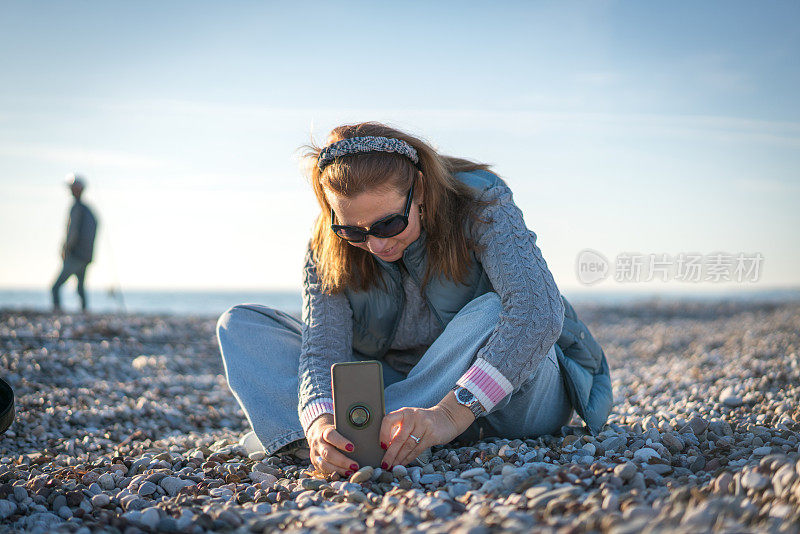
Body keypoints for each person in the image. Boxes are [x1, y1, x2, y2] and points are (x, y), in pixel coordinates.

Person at [216, 122, 612, 478]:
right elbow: (323, 352)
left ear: (418, 190)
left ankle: (359, 434)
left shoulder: (482, 204)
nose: (377, 244)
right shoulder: (329, 243)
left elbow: (538, 314)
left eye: (390, 223)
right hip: (401, 384)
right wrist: (320, 422)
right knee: (242, 325)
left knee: (494, 311)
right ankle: (369, 436)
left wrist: (447, 415)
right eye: (354, 232)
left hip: (515, 390)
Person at [51, 173, 98, 312]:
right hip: (85, 256)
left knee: (56, 287)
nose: (70, 190)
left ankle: (57, 311)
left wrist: (66, 248)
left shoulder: (77, 208)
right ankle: (84, 311)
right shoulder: (88, 210)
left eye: (72, 187)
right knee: (80, 287)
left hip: (76, 255)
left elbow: (73, 232)